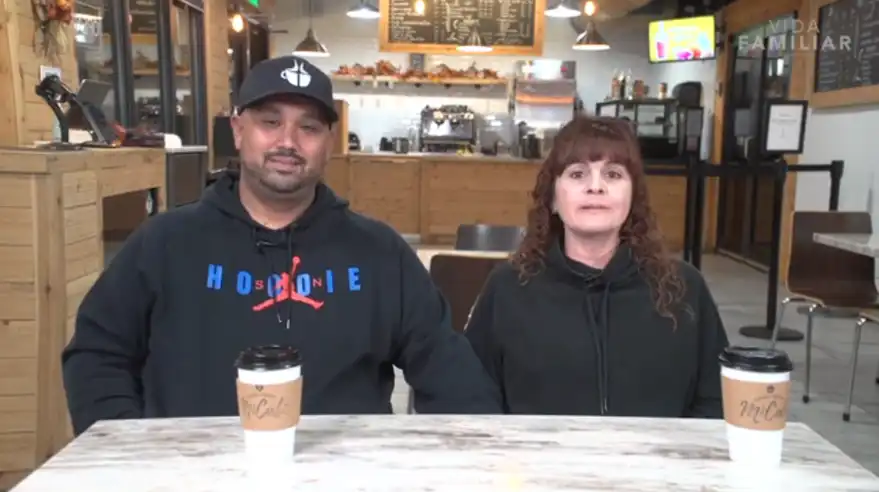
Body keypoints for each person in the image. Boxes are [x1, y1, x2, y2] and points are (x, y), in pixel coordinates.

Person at [62, 56, 501, 435]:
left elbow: (450, 372)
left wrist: (479, 453)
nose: (288, 142)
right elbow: (97, 354)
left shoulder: (380, 253)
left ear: (329, 143)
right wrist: (126, 452)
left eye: (308, 127)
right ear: (238, 130)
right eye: (270, 122)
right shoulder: (164, 243)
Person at [464, 116, 728, 418]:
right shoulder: (508, 288)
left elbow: (716, 399)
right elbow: (474, 395)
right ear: (552, 197)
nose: (595, 187)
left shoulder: (683, 288)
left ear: (633, 196)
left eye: (613, 174)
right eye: (577, 174)